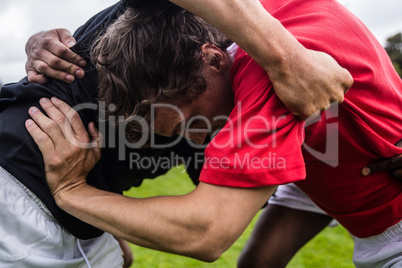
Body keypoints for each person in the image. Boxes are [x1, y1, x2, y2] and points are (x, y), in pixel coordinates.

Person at [26, 0, 402, 267]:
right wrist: (40, 41)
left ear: (214, 58)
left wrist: (72, 193)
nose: (195, 141)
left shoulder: (270, 77)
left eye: (189, 124)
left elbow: (206, 233)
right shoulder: (272, 12)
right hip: (327, 158)